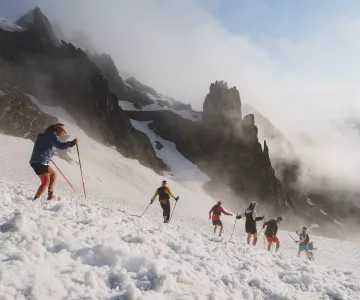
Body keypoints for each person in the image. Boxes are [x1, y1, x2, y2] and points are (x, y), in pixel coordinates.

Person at [29, 124, 78, 201]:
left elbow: (41, 146)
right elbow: (61, 146)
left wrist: (46, 154)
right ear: (58, 129)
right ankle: (35, 200)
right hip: (40, 161)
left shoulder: (44, 135)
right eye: (63, 132)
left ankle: (50, 195)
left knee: (53, 175)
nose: (63, 134)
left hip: (38, 160)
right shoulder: (52, 136)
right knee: (45, 182)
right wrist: (73, 143)